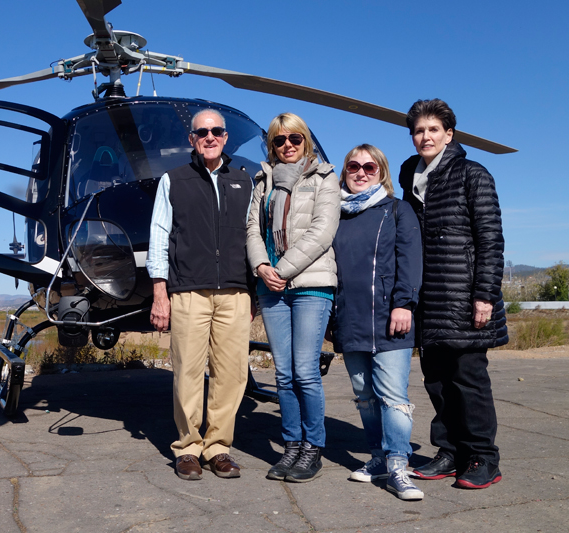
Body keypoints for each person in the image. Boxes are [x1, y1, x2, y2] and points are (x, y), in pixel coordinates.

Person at [399, 99, 508, 490]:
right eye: (418, 130)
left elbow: (491, 240)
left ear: (449, 134)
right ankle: (448, 451)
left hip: (465, 297)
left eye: (432, 129)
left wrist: (485, 296)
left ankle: (482, 457)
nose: (425, 136)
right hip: (429, 297)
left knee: (469, 380)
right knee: (436, 379)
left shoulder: (472, 174)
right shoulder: (410, 174)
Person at [146, 108, 254, 480]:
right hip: (188, 290)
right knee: (188, 372)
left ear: (225, 138)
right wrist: (160, 291)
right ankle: (188, 448)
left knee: (232, 373)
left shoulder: (245, 181)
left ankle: (219, 447)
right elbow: (159, 237)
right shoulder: (173, 180)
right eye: (202, 132)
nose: (210, 137)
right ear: (191, 140)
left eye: (217, 131)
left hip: (236, 292)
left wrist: (253, 290)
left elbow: (254, 237)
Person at [246, 112, 340, 482]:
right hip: (270, 286)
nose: (287, 146)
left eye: (294, 139)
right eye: (279, 140)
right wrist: (261, 267)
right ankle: (292, 446)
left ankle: (313, 448)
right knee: (283, 374)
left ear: (306, 141)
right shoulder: (262, 181)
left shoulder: (324, 177)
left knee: (304, 371)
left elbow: (323, 231)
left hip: (310, 285)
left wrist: (280, 270)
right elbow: (252, 228)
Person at [331, 144, 424, 500]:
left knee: (393, 397)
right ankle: (377, 457)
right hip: (350, 318)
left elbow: (410, 260)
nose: (361, 172)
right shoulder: (336, 215)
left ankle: (399, 464)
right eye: (353, 166)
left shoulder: (397, 211)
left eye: (370, 167)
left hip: (391, 319)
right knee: (364, 398)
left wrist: (404, 304)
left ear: (381, 172)